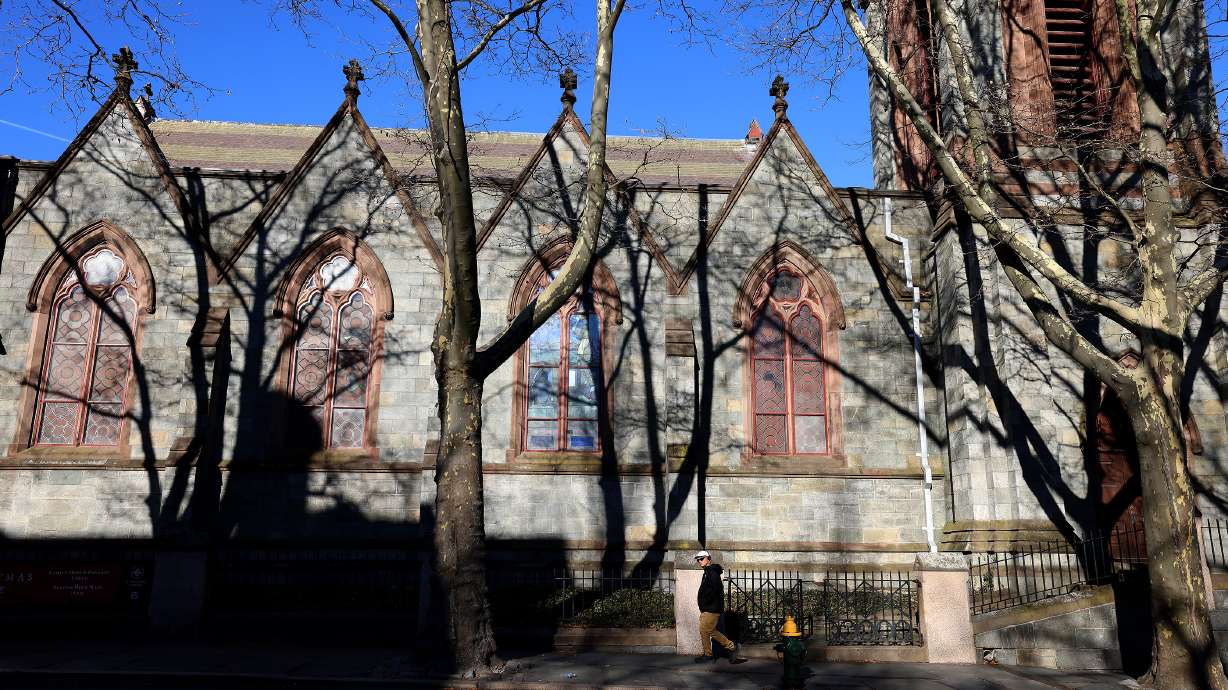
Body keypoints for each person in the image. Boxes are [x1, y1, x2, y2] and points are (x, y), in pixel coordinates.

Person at [694, 550, 746, 664]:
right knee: (705, 630)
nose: (699, 561)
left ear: (708, 558)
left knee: (708, 630)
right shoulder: (707, 572)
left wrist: (707, 603)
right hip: (707, 608)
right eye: (698, 559)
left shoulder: (712, 573)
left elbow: (716, 591)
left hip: (711, 609)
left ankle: (731, 646)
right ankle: (709, 653)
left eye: (702, 559)